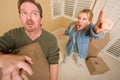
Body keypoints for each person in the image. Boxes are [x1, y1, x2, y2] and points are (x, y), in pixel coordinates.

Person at [0, 0, 59, 80]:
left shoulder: (51, 39)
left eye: (34, 13)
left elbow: (54, 63)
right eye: (24, 13)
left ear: (41, 19)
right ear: (20, 17)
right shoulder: (13, 35)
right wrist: (3, 59)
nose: (29, 18)